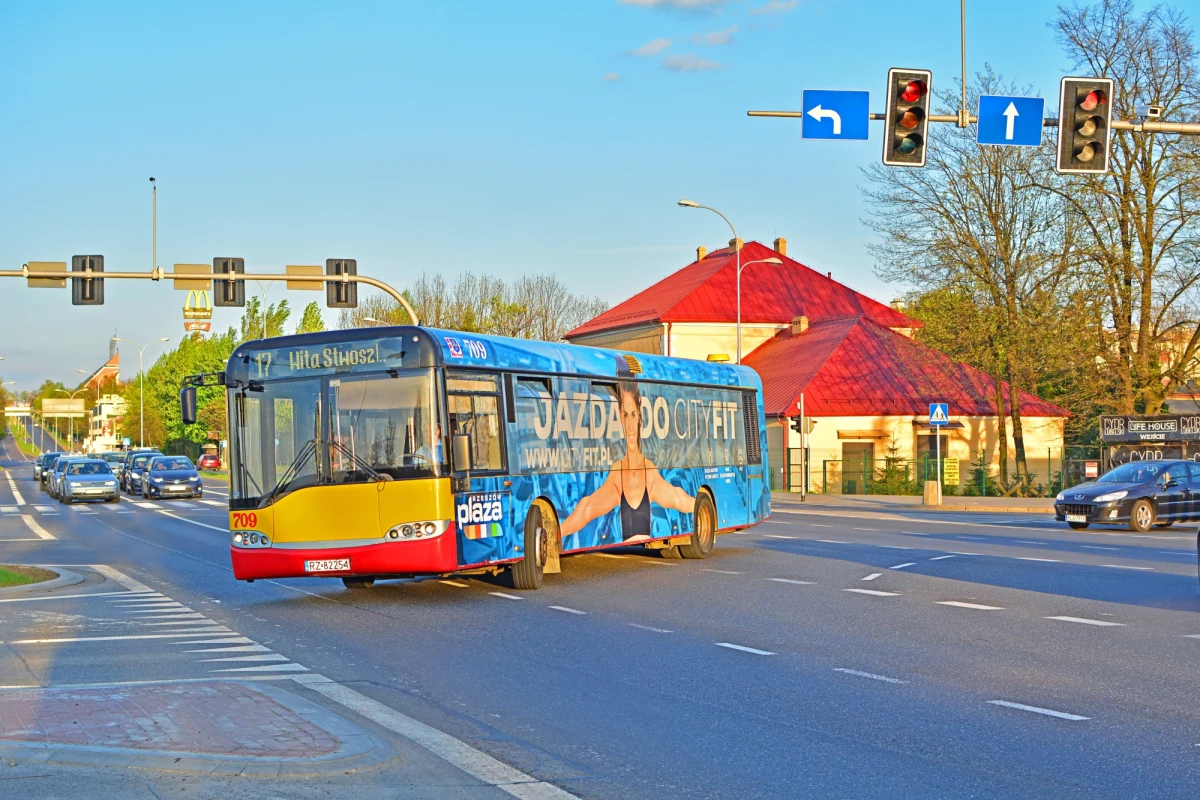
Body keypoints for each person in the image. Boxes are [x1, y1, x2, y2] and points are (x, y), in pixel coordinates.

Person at [559, 365, 695, 543]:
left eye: (633, 415)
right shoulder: (617, 474)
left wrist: (701, 505)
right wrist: (556, 532)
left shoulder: (649, 471)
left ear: (639, 416)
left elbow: (678, 498)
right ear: (620, 417)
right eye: (625, 415)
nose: (630, 425)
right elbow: (587, 508)